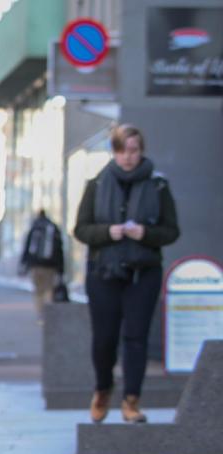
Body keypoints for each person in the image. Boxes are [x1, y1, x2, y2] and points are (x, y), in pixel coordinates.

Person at [74, 124, 179, 424]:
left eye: (133, 150)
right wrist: (110, 231)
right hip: (104, 272)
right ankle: (103, 389)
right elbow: (81, 229)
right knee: (105, 339)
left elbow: (172, 231)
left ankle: (131, 400)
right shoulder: (97, 184)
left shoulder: (158, 186)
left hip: (142, 272)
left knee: (136, 337)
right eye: (121, 150)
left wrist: (145, 232)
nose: (128, 157)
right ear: (114, 152)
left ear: (141, 150)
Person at [19, 209, 65, 321]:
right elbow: (59, 249)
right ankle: (47, 316)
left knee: (38, 291)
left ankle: (40, 315)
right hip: (50, 266)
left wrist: (24, 264)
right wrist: (61, 268)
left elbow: (27, 247)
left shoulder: (34, 228)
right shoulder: (53, 228)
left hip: (35, 265)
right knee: (49, 290)